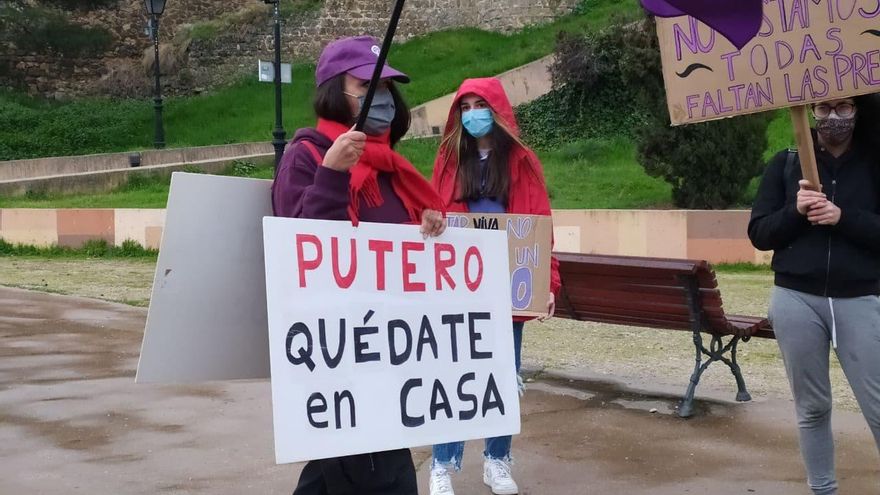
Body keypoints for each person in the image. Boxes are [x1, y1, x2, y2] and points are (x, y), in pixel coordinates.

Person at [272, 35, 446, 495]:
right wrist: (331, 174)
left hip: (393, 348)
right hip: (341, 352)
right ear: (335, 91)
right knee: (371, 472)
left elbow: (402, 252)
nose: (384, 100)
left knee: (359, 470)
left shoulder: (392, 168)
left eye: (389, 89)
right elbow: (300, 250)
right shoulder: (306, 157)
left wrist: (426, 223)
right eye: (368, 86)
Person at [428, 77, 561, 495]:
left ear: (497, 110)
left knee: (502, 377)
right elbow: (431, 216)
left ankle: (497, 461)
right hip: (459, 286)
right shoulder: (448, 160)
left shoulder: (523, 162)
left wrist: (547, 281)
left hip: (507, 290)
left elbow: (539, 224)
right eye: (464, 107)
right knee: (453, 375)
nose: (471, 114)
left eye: (479, 105)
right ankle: (441, 465)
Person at [748, 95, 880, 495]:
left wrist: (843, 218)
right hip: (796, 298)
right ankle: (822, 489)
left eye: (843, 108)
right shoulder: (786, 164)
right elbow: (760, 232)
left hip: (861, 298)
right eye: (823, 109)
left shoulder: (874, 164)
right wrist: (796, 210)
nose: (833, 118)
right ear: (810, 112)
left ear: (858, 110)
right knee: (812, 406)